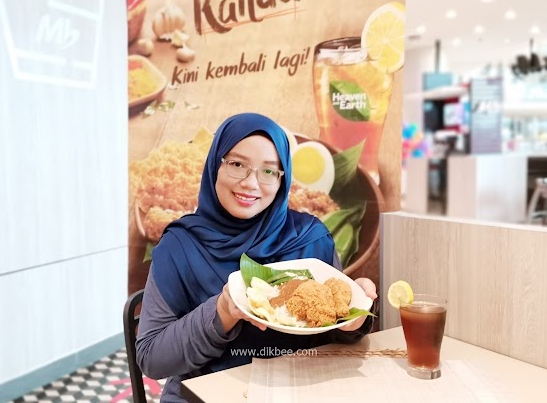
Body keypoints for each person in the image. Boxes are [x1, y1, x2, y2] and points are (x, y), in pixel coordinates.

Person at [136, 112, 377, 402]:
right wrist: (222, 312)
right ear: (215, 165)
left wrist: (353, 319)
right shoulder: (180, 246)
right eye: (237, 165)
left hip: (300, 391)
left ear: (282, 179)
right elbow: (151, 358)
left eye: (268, 171)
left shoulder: (310, 238)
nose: (251, 183)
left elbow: (334, 335)